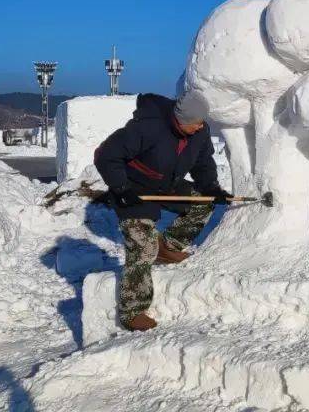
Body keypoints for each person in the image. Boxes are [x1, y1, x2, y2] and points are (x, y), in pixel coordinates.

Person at [94, 92, 230, 331]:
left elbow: (203, 162)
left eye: (202, 122)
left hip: (168, 185)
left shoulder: (199, 131)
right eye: (196, 123)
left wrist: (211, 186)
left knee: (203, 203)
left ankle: (168, 248)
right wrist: (120, 187)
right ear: (180, 120)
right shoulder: (147, 127)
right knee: (143, 247)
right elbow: (105, 155)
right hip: (133, 189)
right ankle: (133, 310)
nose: (201, 127)